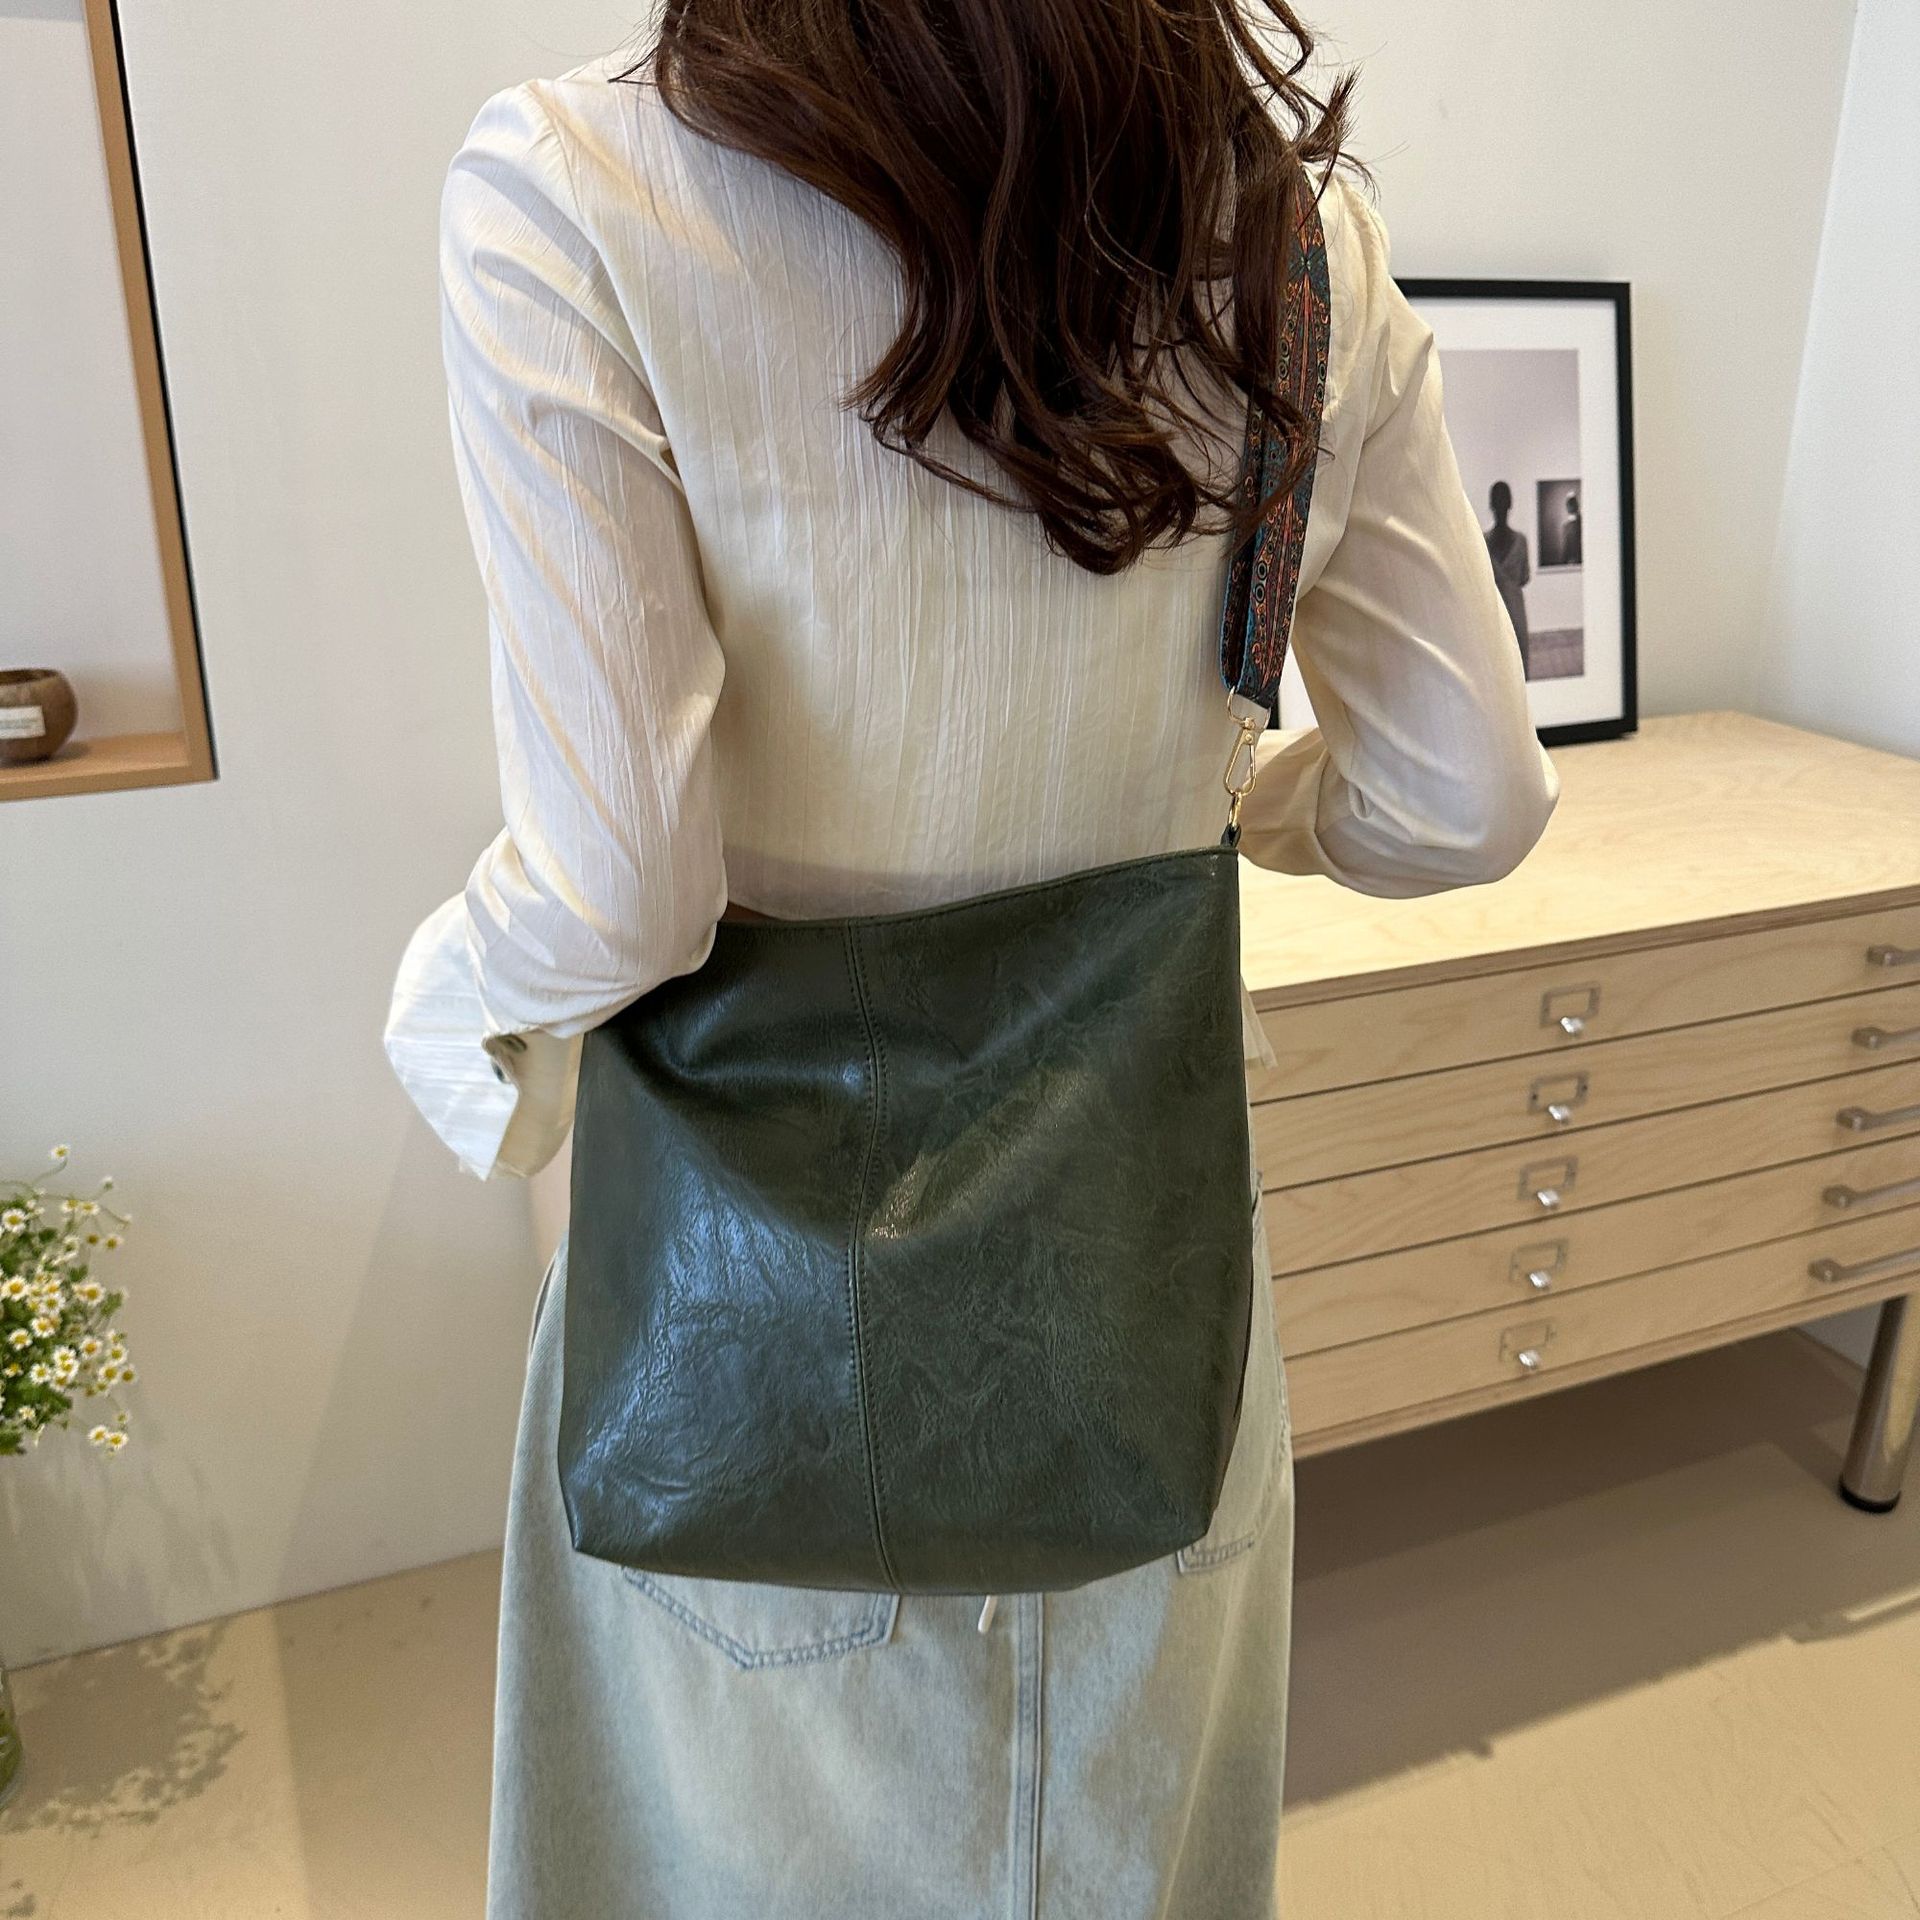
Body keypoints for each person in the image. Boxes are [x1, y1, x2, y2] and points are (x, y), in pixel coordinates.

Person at [384, 4, 1557, 1914]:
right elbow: (1465, 798)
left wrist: (445, 1015)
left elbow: (618, 889)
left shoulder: (572, 187)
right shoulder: (1295, 242)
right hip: (1140, 1267)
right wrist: (1227, 809)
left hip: (753, 1284)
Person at [1484, 479, 1532, 671]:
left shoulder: (1483, 542)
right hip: (1511, 612)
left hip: (1497, 613)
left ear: (1491, 505)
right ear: (1511, 503)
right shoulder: (1520, 541)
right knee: (1516, 669)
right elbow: (1524, 577)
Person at [1561, 488, 1585, 567]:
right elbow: (1566, 548)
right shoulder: (1566, 527)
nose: (1570, 506)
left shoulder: (1583, 523)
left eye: (1573, 503)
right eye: (1569, 504)